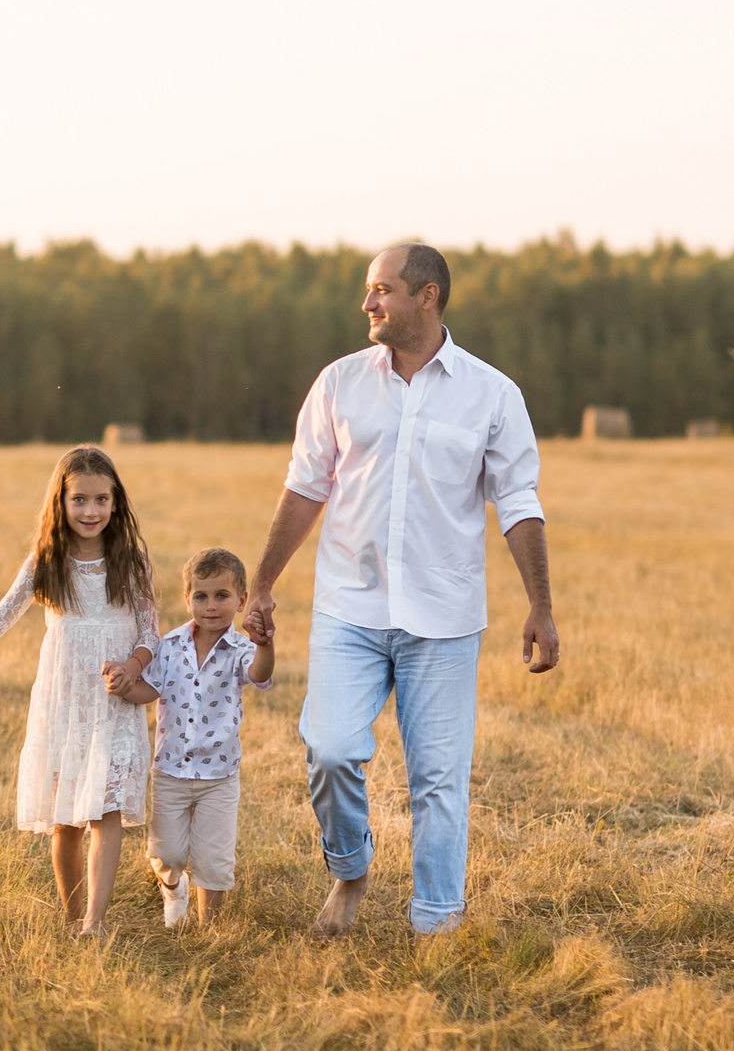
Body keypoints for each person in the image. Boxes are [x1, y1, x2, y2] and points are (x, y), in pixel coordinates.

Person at [245, 242, 560, 937]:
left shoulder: (492, 393)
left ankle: (437, 923)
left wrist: (540, 604)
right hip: (348, 608)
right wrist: (262, 583)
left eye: (381, 289)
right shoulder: (338, 383)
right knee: (329, 747)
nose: (367, 303)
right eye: (367, 289)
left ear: (428, 296)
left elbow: (518, 501)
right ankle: (350, 869)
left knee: (439, 783)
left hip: (444, 619)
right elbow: (304, 487)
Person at [0, 446, 161, 936]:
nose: (91, 511)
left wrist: (132, 666)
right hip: (64, 704)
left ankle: (95, 921)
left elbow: (150, 634)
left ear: (115, 502)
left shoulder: (132, 562)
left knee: (107, 808)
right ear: (61, 501)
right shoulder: (46, 562)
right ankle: (74, 917)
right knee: (67, 821)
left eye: (101, 499)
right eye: (80, 500)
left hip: (113, 700)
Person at [140, 547, 275, 929]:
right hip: (171, 769)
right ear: (187, 599)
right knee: (166, 852)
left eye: (222, 596)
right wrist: (121, 685)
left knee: (213, 858)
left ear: (242, 600)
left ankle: (207, 928)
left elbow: (261, 674)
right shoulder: (170, 646)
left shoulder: (242, 649)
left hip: (219, 775)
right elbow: (148, 690)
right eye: (201, 596)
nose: (211, 605)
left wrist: (264, 641)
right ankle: (172, 888)